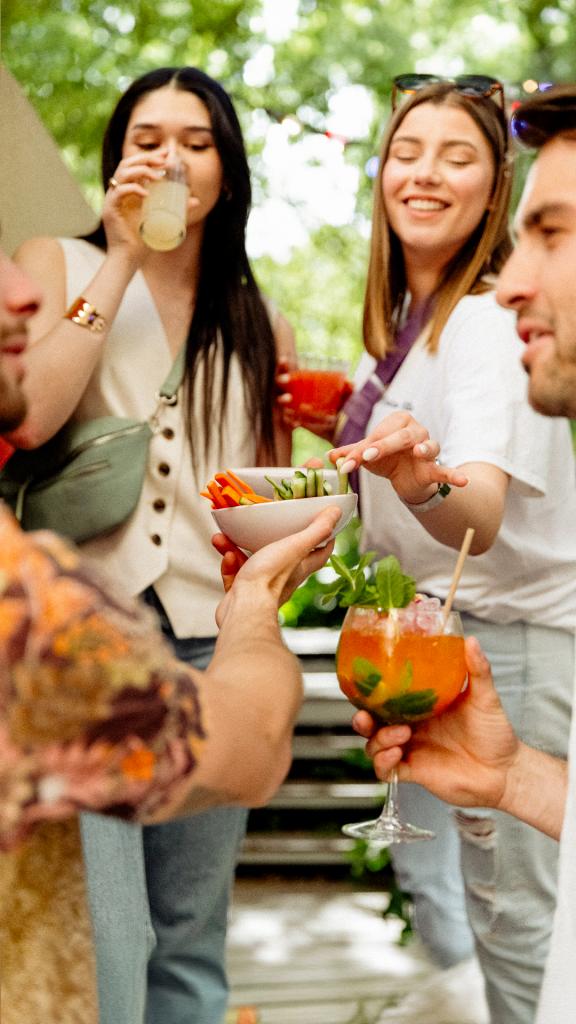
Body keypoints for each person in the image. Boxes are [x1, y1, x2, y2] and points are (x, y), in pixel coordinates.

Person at [9, 66, 299, 1024]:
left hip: (208, 643)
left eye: (195, 141)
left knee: (188, 932)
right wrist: (122, 258)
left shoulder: (260, 321)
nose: (170, 158)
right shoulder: (55, 264)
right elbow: (32, 415)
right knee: (110, 931)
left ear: (227, 170)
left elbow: (266, 492)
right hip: (87, 646)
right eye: (147, 139)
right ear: (117, 159)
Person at [323, 78, 576, 1024]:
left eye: (458, 156)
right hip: (440, 643)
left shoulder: (481, 318)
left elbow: (479, 514)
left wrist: (417, 478)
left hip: (507, 645)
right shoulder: (406, 329)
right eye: (408, 151)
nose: (425, 173)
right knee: (464, 906)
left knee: (522, 925)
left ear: (496, 189)